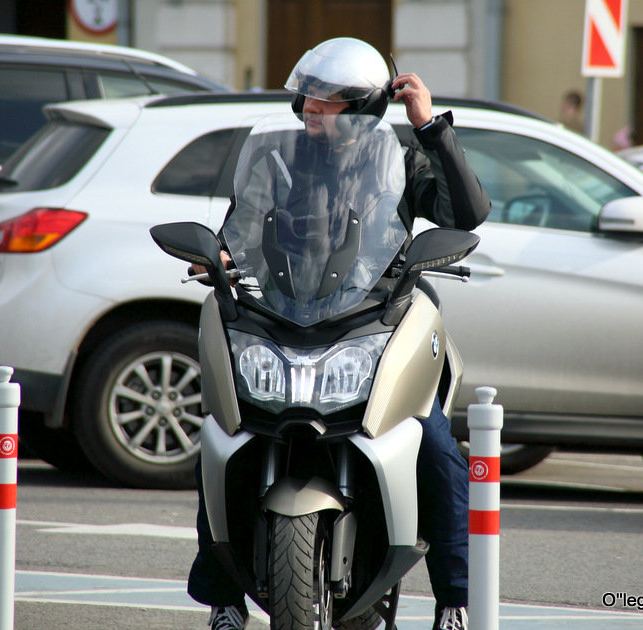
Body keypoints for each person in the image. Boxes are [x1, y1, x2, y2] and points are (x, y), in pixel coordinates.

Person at [187, 37, 490, 630]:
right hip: (285, 315)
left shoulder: (402, 159)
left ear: (361, 108)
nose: (310, 111)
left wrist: (430, 128)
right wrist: (220, 254)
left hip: (373, 318)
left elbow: (466, 213)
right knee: (224, 437)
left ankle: (457, 600)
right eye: (307, 100)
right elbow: (244, 223)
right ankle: (225, 601)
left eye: (325, 103)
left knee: (434, 447)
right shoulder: (276, 159)